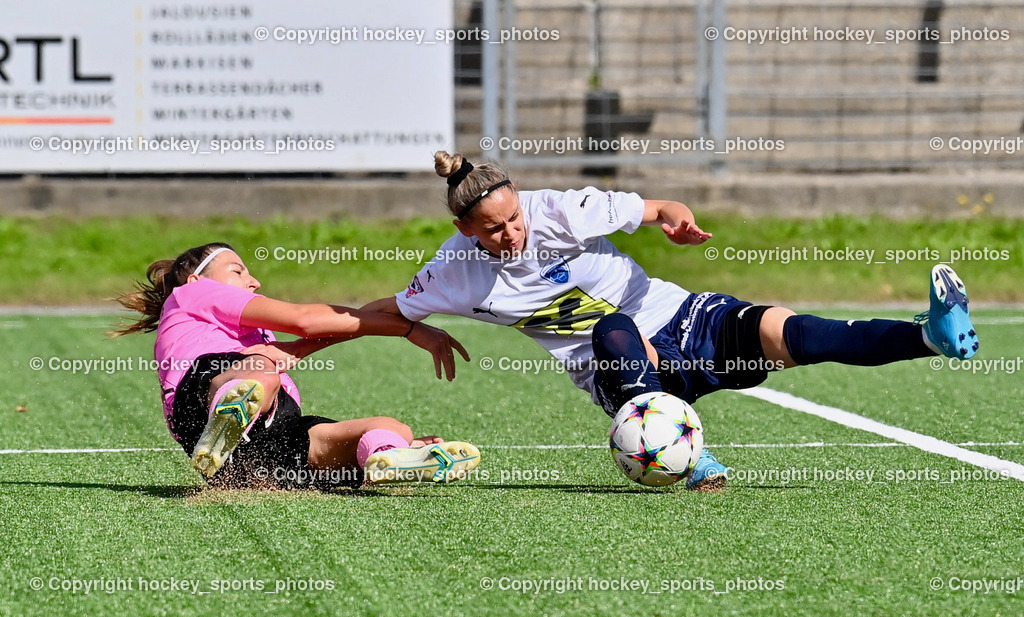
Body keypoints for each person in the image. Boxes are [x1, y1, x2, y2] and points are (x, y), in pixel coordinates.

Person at [361, 152, 979, 492]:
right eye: (493, 229)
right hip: (621, 370)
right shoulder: (452, 271)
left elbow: (660, 207)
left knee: (789, 330)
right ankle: (678, 448)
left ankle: (930, 335)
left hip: (682, 317)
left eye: (514, 217)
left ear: (522, 199)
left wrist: (677, 221)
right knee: (609, 328)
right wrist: (409, 330)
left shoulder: (563, 211)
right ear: (464, 230)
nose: (511, 232)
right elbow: (382, 311)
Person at [113, 242, 480, 490]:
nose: (253, 280)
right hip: (200, 400)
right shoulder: (191, 294)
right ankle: (224, 415)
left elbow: (325, 331)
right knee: (261, 374)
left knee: (392, 426)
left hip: (257, 453)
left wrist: (390, 320)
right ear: (198, 280)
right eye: (238, 271)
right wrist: (407, 328)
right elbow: (306, 320)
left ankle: (392, 456)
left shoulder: (259, 339)